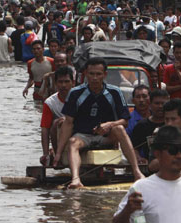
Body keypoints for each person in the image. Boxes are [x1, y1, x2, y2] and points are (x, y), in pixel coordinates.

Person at [53, 58, 144, 189]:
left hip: (107, 136)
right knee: (73, 142)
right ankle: (76, 179)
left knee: (119, 128)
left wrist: (109, 125)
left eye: (98, 74)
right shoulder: (76, 93)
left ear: (104, 75)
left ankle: (137, 172)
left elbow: (125, 120)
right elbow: (68, 123)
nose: (95, 78)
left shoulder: (114, 92)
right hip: (83, 136)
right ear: (85, 74)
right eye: (91, 74)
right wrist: (58, 153)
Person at [113, 126, 181, 223]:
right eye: (172, 150)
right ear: (158, 154)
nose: (179, 156)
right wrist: (127, 211)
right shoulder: (140, 188)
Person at [39, 66, 75, 167]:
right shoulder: (50, 102)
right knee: (56, 123)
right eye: (60, 82)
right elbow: (45, 129)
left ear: (73, 82)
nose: (63, 85)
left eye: (67, 81)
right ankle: (56, 156)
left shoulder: (81, 98)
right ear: (55, 83)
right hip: (59, 134)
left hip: (79, 132)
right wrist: (45, 154)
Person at [131, 89, 169, 161]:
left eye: (163, 103)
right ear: (150, 104)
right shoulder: (141, 126)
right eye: (157, 103)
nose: (160, 106)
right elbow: (133, 148)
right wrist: (139, 158)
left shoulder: (174, 124)